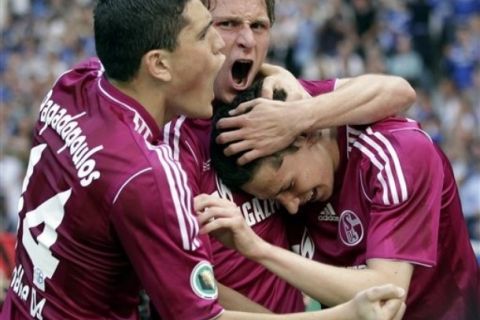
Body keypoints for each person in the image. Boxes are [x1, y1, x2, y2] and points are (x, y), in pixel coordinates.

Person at [0, 0, 407, 319]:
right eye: (214, 29)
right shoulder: (154, 171)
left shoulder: (76, 83)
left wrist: (298, 108)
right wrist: (340, 317)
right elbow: (197, 310)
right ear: (160, 62)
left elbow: (397, 91)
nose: (226, 45)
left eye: (259, 27)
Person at [164, 0, 416, 313]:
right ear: (199, 31)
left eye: (258, 26)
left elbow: (399, 92)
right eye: (227, 24)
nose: (247, 40)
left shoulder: (273, 98)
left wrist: (300, 114)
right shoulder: (174, 139)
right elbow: (184, 281)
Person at [201, 79, 480, 320]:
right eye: (276, 198)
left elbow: (386, 289)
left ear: (306, 134)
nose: (291, 205)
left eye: (289, 186)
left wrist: (258, 249)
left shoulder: (397, 153)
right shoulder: (304, 177)